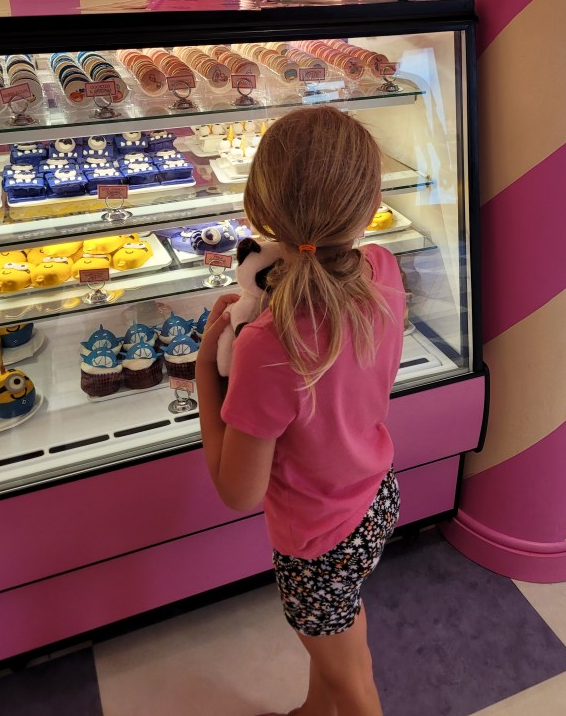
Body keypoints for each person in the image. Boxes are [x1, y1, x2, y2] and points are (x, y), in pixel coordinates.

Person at [196, 105, 406, 716]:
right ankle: (316, 710)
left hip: (317, 539)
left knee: (353, 679)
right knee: (341, 629)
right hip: (374, 498)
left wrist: (207, 370)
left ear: (256, 208)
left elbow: (238, 491)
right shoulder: (383, 268)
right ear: (370, 206)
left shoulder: (267, 343)